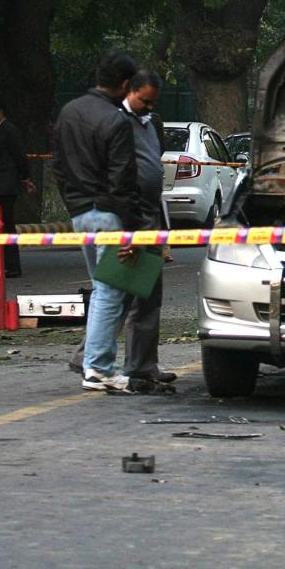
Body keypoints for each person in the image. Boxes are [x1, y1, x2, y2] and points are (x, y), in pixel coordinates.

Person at [55, 50, 139, 392]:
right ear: (124, 84)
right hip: (107, 213)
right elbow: (121, 180)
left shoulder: (69, 112)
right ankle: (98, 367)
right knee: (110, 290)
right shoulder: (116, 120)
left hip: (79, 212)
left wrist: (74, 204)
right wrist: (132, 228)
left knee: (102, 286)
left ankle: (94, 360)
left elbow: (58, 166)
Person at [115, 71, 179, 393]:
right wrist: (129, 228)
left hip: (151, 214)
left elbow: (154, 167)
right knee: (121, 291)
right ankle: (90, 358)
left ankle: (143, 364)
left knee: (149, 294)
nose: (149, 107)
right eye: (144, 100)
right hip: (130, 215)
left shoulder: (151, 123)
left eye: (153, 102)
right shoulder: (116, 122)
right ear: (129, 90)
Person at [0, 100, 35, 278]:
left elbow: (19, 156)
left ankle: (13, 265)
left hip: (5, 185)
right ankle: (3, 263)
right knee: (0, 225)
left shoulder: (9, 130)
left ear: (0, 111)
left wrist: (25, 177)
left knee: (7, 225)